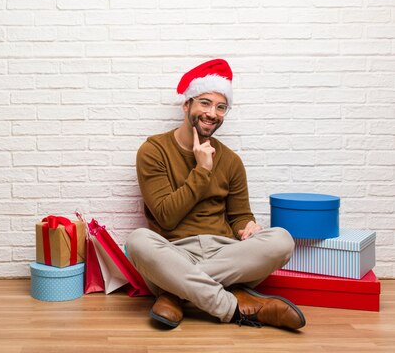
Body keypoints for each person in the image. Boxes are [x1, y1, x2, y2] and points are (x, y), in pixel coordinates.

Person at [126, 59, 305, 330]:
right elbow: (166, 217)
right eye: (205, 103)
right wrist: (202, 170)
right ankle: (234, 308)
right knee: (138, 241)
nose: (213, 113)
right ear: (186, 105)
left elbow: (240, 215)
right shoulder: (153, 151)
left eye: (221, 107)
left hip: (224, 252)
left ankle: (174, 293)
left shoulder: (231, 160)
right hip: (174, 253)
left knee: (281, 239)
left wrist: (248, 228)